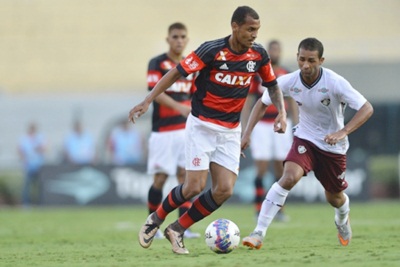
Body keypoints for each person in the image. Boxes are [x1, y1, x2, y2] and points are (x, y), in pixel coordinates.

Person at [129, 6, 287, 255]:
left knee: (224, 190)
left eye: (257, 30)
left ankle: (177, 229)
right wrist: (149, 99)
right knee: (193, 186)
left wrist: (282, 112)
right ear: (235, 27)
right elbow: (175, 73)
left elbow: (273, 86)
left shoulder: (258, 55)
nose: (254, 35)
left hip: (230, 131)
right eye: (250, 29)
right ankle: (156, 219)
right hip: (202, 125)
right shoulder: (211, 50)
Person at [241, 37, 374, 249]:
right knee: (288, 177)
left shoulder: (335, 82)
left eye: (311, 60)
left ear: (321, 60)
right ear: (296, 57)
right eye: (302, 59)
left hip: (333, 147)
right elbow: (262, 102)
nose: (305, 65)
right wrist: (247, 133)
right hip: (305, 139)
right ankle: (258, 233)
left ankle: (342, 217)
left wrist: (343, 131)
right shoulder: (289, 80)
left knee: (335, 197)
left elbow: (367, 108)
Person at [145, 22, 199, 239]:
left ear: (187, 40)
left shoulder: (191, 65)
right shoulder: (157, 63)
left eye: (182, 37)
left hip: (185, 130)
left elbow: (194, 96)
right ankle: (151, 225)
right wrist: (180, 108)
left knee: (185, 178)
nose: (178, 40)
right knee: (160, 178)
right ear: (168, 39)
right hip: (163, 131)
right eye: (175, 36)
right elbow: (154, 92)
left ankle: (181, 228)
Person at [242, 40, 298, 221]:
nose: (275, 52)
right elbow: (250, 101)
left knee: (281, 168)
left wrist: (296, 125)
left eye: (277, 49)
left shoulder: (286, 74)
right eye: (272, 49)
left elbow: (292, 102)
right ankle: (259, 208)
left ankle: (278, 210)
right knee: (261, 167)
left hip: (281, 124)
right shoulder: (259, 74)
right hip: (261, 125)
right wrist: (245, 127)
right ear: (268, 52)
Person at [18, 122, 46, 206]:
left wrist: (38, 147)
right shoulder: (24, 139)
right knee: (27, 186)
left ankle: (40, 203)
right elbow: (20, 151)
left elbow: (44, 149)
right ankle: (26, 203)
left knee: (39, 186)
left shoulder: (40, 138)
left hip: (38, 165)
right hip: (29, 165)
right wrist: (24, 160)